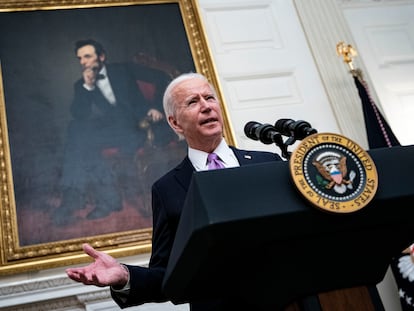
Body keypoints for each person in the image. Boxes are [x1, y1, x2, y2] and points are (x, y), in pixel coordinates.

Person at [66, 72, 282, 310]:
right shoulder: (167, 189)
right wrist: (125, 276)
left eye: (209, 98)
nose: (206, 107)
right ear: (175, 123)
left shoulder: (268, 163)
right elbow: (167, 276)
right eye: (192, 102)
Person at [54, 39, 172, 225]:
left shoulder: (123, 69)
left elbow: (162, 77)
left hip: (140, 125)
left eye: (87, 56)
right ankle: (95, 198)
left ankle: (87, 199)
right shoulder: (81, 84)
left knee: (82, 141)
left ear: (101, 57)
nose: (83, 62)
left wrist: (155, 107)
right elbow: (79, 115)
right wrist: (88, 86)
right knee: (76, 130)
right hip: (117, 130)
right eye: (80, 58)